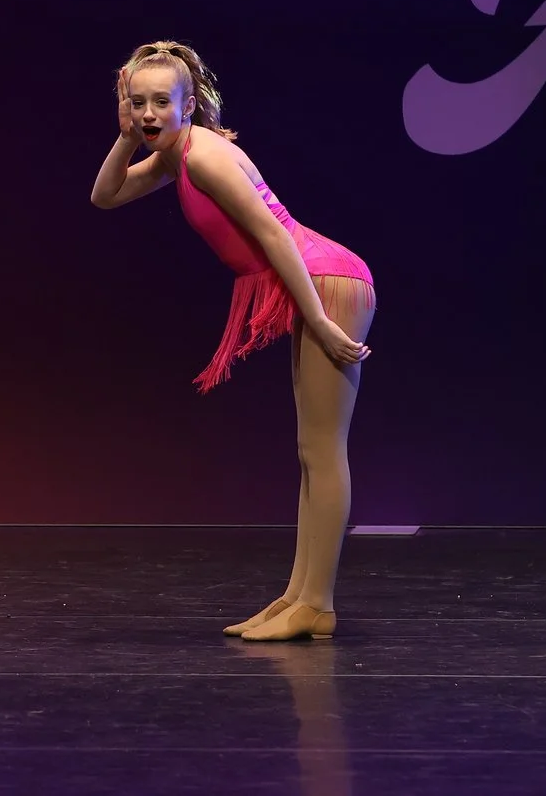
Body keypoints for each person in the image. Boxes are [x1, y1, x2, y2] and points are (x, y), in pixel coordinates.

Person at [90, 41, 376, 642]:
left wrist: (320, 320)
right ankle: (298, 596)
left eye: (160, 103)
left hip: (326, 281)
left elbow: (275, 237)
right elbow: (106, 196)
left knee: (323, 449)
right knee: (308, 450)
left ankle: (317, 604)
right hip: (315, 283)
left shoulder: (204, 158)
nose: (147, 114)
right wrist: (123, 136)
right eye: (135, 103)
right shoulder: (174, 156)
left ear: (188, 104)